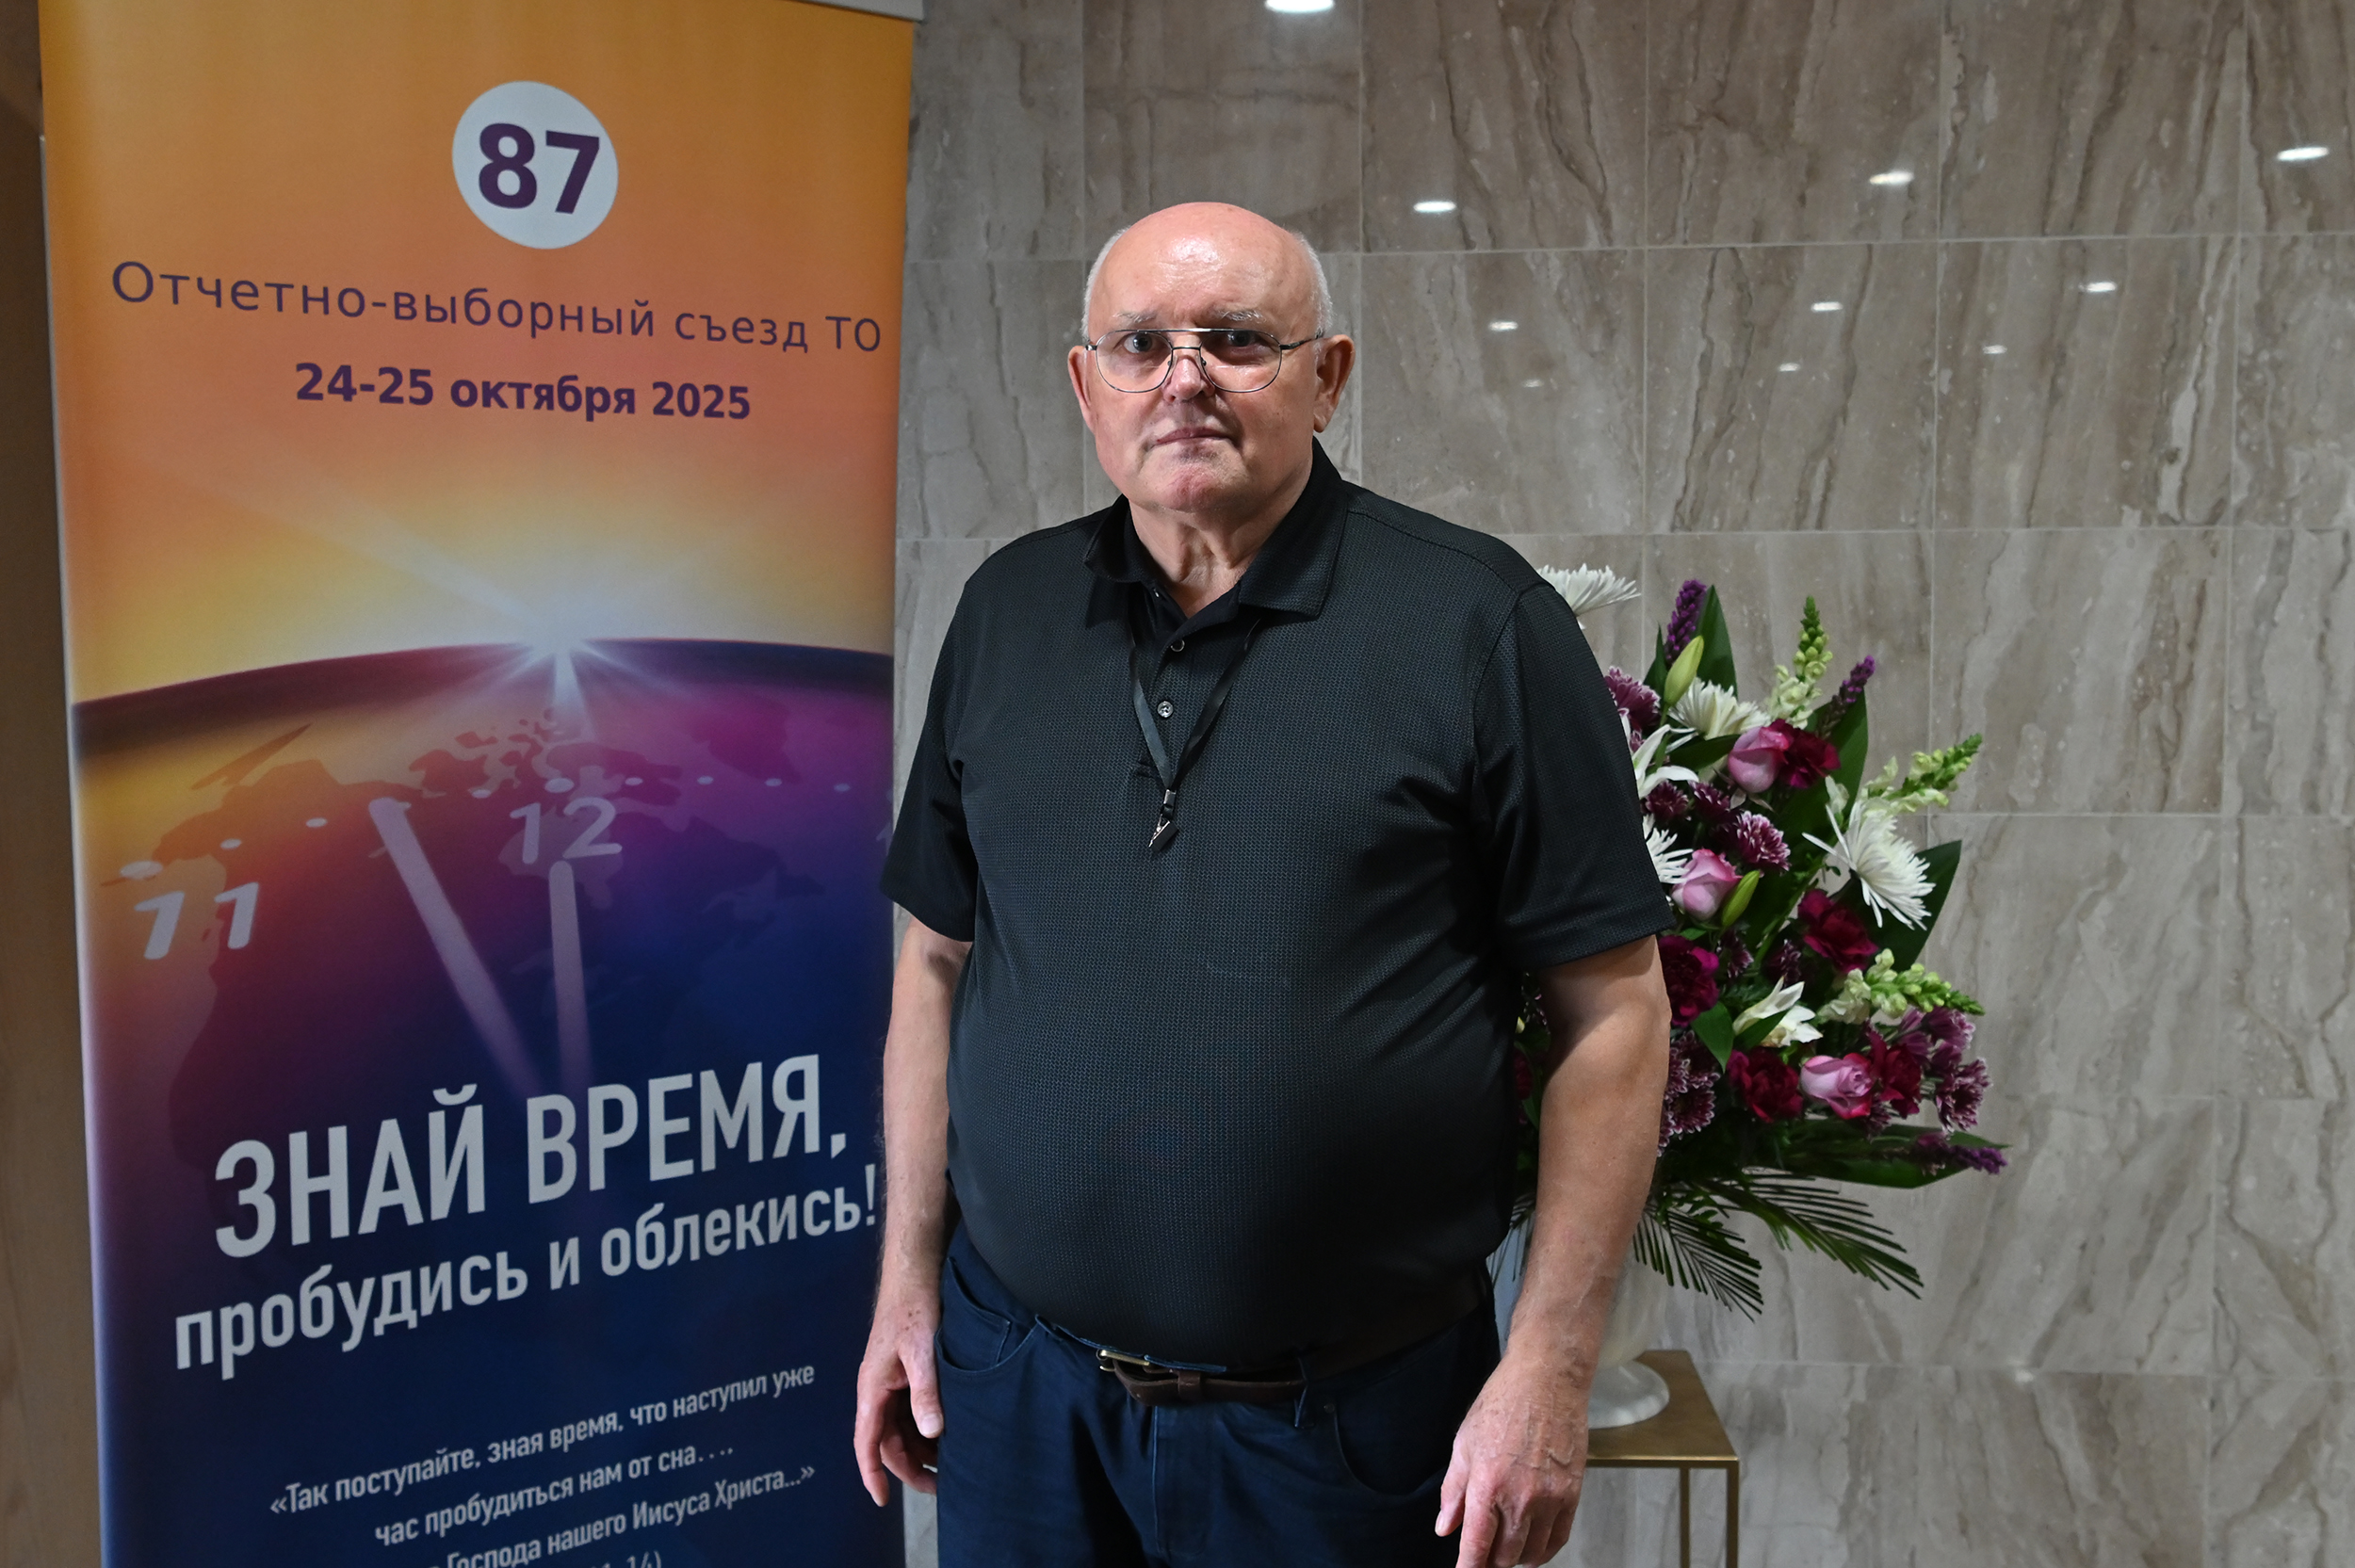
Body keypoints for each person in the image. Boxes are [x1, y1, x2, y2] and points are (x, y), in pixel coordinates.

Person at [855, 200, 1673, 1568]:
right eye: (1141, 344)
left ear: (1327, 376)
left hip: (1342, 1430)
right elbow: (937, 963)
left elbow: (1617, 1012)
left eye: (1236, 340)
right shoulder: (1005, 612)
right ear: (1086, 386)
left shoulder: (1478, 624)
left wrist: (1548, 1365)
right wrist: (904, 1284)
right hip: (1025, 1400)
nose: (1184, 378)